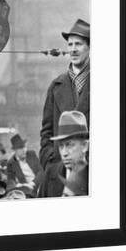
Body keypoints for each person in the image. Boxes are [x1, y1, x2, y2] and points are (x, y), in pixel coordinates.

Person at [40, 19, 90, 169]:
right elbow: (46, 131)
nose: (73, 49)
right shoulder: (56, 86)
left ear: (90, 47)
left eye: (78, 44)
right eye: (70, 44)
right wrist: (50, 162)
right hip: (60, 169)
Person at [38, 110, 89, 198]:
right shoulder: (50, 173)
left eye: (69, 145)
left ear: (85, 146)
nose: (64, 153)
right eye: (61, 146)